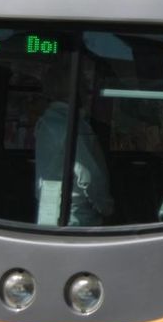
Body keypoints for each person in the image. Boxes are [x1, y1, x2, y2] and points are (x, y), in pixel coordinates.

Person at [35, 57, 114, 227]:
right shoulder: (71, 126)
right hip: (76, 219)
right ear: (74, 90)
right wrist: (106, 207)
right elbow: (88, 176)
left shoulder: (47, 121)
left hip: (49, 213)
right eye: (84, 85)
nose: (87, 91)